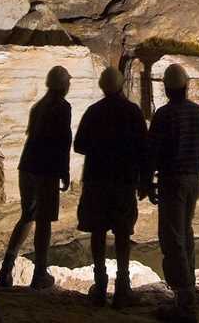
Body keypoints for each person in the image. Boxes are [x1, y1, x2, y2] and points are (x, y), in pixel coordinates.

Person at [74, 67, 149, 309]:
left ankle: (99, 285)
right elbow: (143, 148)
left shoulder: (94, 111)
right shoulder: (132, 111)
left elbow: (80, 145)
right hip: (124, 180)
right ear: (121, 85)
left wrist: (100, 147)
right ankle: (123, 288)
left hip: (97, 179)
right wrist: (144, 179)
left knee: (97, 230)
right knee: (122, 232)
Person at [0, 65, 72, 289]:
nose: (69, 85)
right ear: (62, 85)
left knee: (27, 216)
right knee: (44, 221)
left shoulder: (38, 106)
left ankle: (6, 270)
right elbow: (62, 142)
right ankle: (39, 274)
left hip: (27, 166)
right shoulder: (62, 106)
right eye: (68, 82)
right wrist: (64, 171)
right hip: (45, 169)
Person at [147, 63, 199, 323]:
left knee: (172, 236)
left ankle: (184, 303)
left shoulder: (162, 115)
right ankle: (189, 286)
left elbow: (153, 151)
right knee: (186, 230)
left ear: (166, 88)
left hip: (172, 179)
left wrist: (148, 182)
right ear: (186, 86)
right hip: (193, 178)